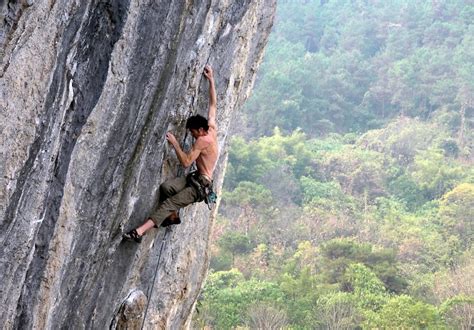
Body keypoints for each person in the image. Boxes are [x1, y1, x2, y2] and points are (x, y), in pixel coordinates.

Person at [123, 65, 218, 243]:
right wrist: (211, 79)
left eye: (192, 132)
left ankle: (138, 233)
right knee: (167, 188)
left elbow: (185, 162)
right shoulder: (211, 128)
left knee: (168, 203)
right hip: (196, 178)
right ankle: (172, 216)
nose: (191, 135)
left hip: (200, 186)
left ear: (199, 130)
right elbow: (213, 105)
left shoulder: (203, 141)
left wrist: (175, 143)